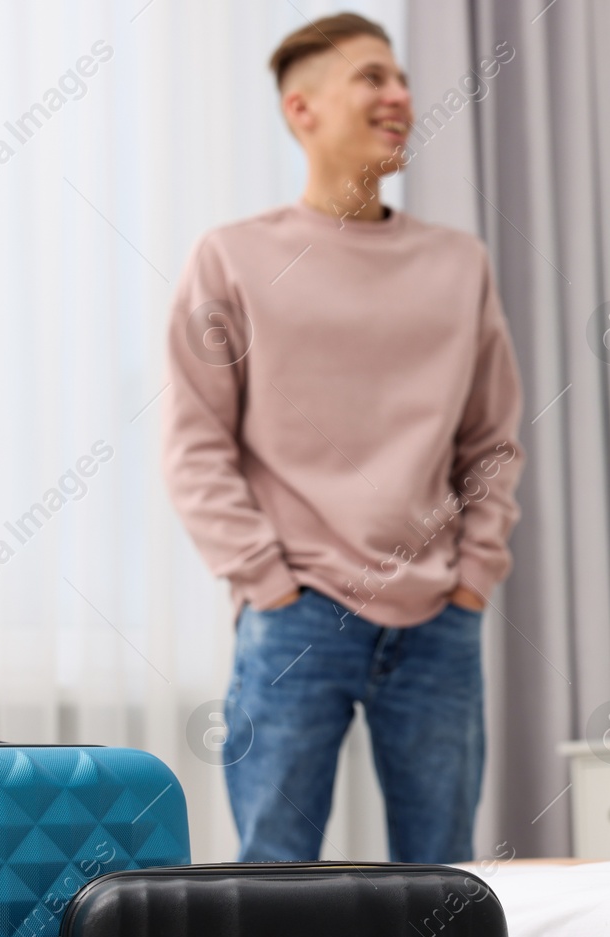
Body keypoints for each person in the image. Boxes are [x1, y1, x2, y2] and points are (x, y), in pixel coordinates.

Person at [160, 12, 524, 864]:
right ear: (303, 109)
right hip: (295, 615)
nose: (399, 95)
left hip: (439, 618)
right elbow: (195, 444)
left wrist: (474, 579)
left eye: (400, 78)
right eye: (371, 77)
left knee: (442, 887)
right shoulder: (233, 257)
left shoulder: (458, 263)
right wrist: (266, 581)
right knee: (272, 877)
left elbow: (492, 445)